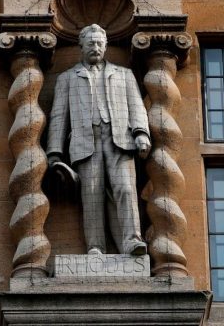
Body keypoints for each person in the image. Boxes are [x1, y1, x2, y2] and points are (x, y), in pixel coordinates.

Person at [46, 24, 151, 256]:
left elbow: (137, 106)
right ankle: (95, 246)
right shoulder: (67, 78)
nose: (96, 47)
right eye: (91, 43)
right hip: (85, 141)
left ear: (106, 46)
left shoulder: (124, 74)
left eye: (99, 43)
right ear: (81, 46)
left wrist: (141, 133)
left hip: (120, 140)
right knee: (91, 194)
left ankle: (132, 240)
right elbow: (58, 116)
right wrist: (54, 152)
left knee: (125, 188)